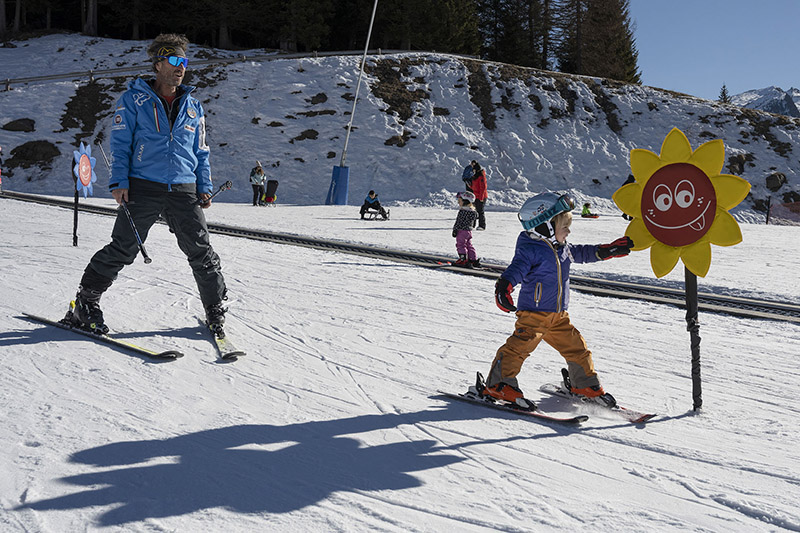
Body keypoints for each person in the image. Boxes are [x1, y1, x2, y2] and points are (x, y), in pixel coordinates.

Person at [66, 33, 228, 335]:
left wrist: (204, 185)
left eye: (184, 62)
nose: (181, 68)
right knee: (124, 248)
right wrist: (119, 181)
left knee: (201, 250)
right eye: (174, 61)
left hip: (183, 188)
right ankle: (86, 302)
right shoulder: (133, 100)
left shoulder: (193, 106)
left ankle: (215, 308)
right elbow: (122, 143)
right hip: (143, 186)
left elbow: (201, 150)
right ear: (158, 64)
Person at [483, 192, 634, 409]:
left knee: (577, 348)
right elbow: (516, 269)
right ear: (544, 226)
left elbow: (584, 253)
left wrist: (606, 250)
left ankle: (584, 385)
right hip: (533, 315)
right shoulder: (530, 250)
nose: (569, 231)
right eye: (565, 226)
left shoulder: (562, 249)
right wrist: (504, 286)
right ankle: (498, 384)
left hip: (559, 316)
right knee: (519, 348)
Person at [452, 191, 480, 267]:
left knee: (460, 245)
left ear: (465, 201)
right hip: (468, 231)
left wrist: (455, 230)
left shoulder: (462, 211)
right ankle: (472, 259)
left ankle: (463, 259)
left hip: (461, 231)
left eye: (459, 201)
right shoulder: (473, 211)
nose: (458, 203)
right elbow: (474, 223)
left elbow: (458, 221)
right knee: (469, 245)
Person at [469, 161, 488, 230]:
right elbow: (474, 186)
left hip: (481, 196)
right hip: (475, 196)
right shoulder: (475, 176)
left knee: (480, 211)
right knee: (473, 210)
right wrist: (470, 185)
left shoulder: (481, 176)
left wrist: (481, 198)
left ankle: (482, 226)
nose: (472, 170)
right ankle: (472, 225)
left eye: (473, 169)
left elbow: (483, 187)